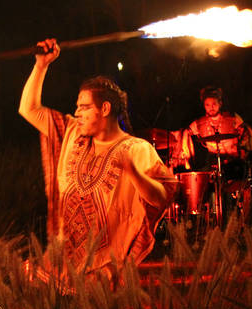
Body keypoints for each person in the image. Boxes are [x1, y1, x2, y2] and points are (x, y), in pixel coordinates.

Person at [18, 38, 177, 276]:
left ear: (104, 109)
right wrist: (41, 65)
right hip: (60, 263)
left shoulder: (137, 149)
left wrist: (133, 172)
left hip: (103, 271)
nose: (77, 113)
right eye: (77, 107)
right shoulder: (71, 132)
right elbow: (28, 109)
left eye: (84, 107)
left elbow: (162, 197)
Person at [180, 86, 252, 229]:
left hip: (234, 163)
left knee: (246, 185)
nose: (211, 108)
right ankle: (209, 221)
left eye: (214, 104)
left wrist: (246, 151)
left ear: (220, 103)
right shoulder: (200, 122)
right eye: (207, 105)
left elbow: (247, 131)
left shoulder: (232, 117)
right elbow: (186, 132)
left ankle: (247, 222)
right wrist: (186, 156)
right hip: (214, 162)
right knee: (201, 181)